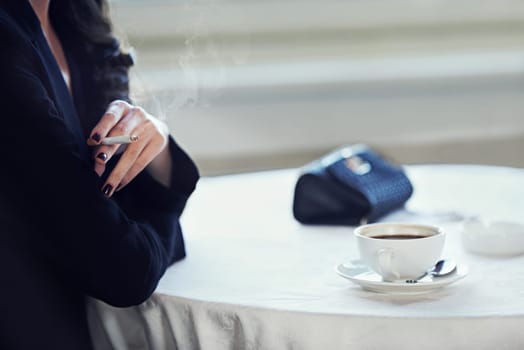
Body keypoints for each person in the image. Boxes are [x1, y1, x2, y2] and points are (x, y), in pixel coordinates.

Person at [0, 0, 199, 349]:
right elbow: (124, 271)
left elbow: (122, 208)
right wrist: (164, 212)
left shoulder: (71, 21)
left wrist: (156, 138)